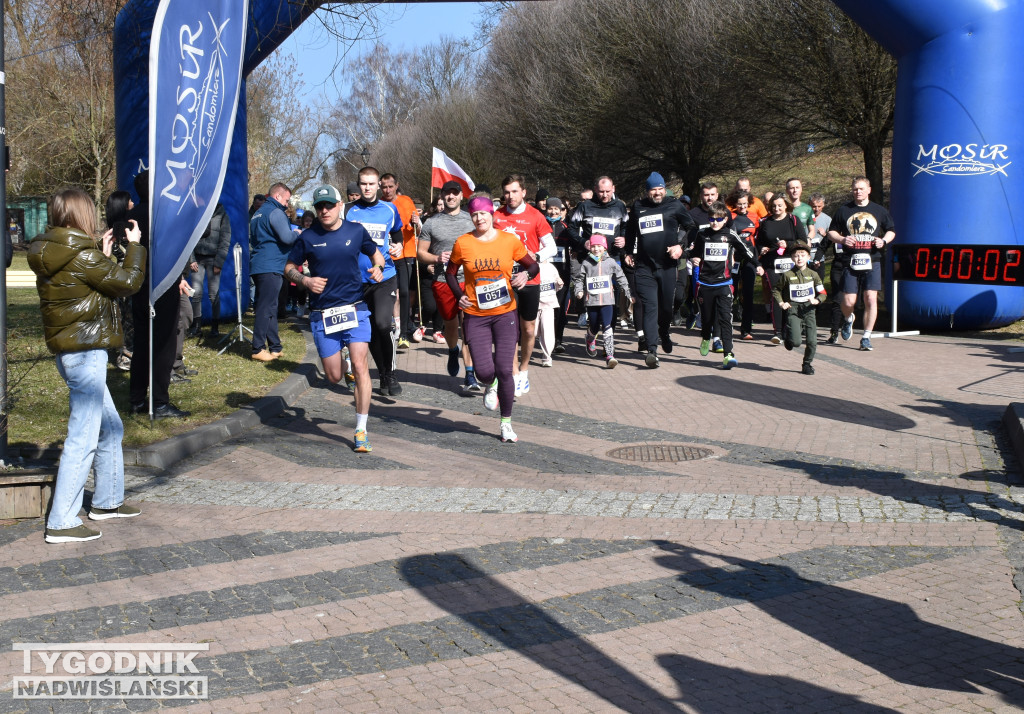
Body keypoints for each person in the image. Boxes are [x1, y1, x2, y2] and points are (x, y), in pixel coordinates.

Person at [28, 188, 146, 542]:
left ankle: (107, 502)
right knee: (84, 436)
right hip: (86, 352)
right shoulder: (82, 255)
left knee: (110, 428)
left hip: (70, 353)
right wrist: (135, 247)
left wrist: (103, 256)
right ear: (82, 214)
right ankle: (62, 521)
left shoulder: (54, 250)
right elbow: (128, 283)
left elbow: (84, 289)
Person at [285, 184, 384, 452]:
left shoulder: (356, 230)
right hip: (323, 314)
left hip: (355, 308)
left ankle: (361, 430)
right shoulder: (308, 237)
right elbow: (289, 267)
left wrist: (378, 268)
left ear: (340, 205)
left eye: (329, 205)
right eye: (320, 206)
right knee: (333, 376)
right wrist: (305, 280)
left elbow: (376, 255)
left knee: (362, 366)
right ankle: (344, 364)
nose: (325, 210)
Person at [446, 196, 539, 443]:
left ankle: (506, 423)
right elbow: (450, 273)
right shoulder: (463, 243)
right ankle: (491, 382)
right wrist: (459, 296)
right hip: (476, 315)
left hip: (505, 314)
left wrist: (525, 276)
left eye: (483, 214)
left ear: (492, 214)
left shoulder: (509, 241)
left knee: (506, 369)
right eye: (474, 215)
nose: (479, 219)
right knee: (484, 372)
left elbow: (533, 266)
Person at [127, 171, 191, 418]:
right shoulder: (164, 215)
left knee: (142, 343)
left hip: (138, 285)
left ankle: (136, 398)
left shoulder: (132, 215)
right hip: (162, 285)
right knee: (164, 344)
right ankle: (160, 402)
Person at [625, 172, 695, 368]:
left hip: (667, 267)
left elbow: (691, 226)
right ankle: (652, 351)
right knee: (650, 308)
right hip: (644, 267)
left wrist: (680, 246)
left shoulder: (674, 205)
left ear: (665, 189)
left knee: (665, 308)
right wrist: (628, 252)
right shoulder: (638, 206)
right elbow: (630, 230)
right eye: (653, 189)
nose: (657, 192)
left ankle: (664, 331)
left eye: (660, 189)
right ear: (647, 191)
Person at [344, 166, 405, 395]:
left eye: (371, 184)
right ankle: (383, 373)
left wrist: (399, 245)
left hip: (384, 276)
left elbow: (397, 233)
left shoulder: (389, 209)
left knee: (382, 324)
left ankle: (391, 373)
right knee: (369, 332)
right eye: (363, 184)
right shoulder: (348, 211)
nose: (367, 188)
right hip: (357, 281)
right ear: (358, 184)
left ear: (378, 184)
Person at [493, 174, 554, 397]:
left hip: (530, 279)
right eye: (507, 192)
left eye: (515, 191)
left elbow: (551, 247)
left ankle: (524, 368)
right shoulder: (496, 216)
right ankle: (513, 372)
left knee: (528, 329)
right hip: (504, 280)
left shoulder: (535, 216)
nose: (510, 196)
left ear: (524, 192)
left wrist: (535, 256)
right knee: (508, 329)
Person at [417, 181, 479, 390]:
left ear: (461, 196)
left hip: (469, 281)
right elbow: (420, 253)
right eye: (447, 193)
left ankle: (470, 374)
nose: (451, 197)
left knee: (469, 326)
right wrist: (436, 258)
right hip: (443, 281)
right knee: (451, 325)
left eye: (455, 193)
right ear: (442, 195)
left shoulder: (472, 220)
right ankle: (453, 350)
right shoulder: (431, 223)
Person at [687, 201, 762, 369]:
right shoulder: (702, 234)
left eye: (719, 219)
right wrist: (693, 257)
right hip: (705, 283)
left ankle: (728, 354)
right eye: (712, 219)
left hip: (724, 283)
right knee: (707, 319)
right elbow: (694, 252)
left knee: (725, 318)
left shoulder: (730, 234)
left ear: (725, 219)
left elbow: (746, 251)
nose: (715, 222)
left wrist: (757, 264)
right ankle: (706, 337)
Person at [827, 176, 895, 351]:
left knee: (870, 298)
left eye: (861, 188)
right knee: (848, 301)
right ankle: (848, 318)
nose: (858, 192)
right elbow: (831, 232)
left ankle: (866, 337)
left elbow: (891, 230)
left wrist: (883, 241)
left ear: (869, 190)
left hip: (872, 260)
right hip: (850, 260)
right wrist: (842, 239)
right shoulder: (844, 210)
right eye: (855, 189)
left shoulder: (878, 210)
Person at [249, 182, 295, 361]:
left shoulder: (257, 213)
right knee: (265, 307)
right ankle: (258, 348)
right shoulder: (276, 212)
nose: (287, 204)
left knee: (270, 306)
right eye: (286, 200)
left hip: (259, 264)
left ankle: (275, 346)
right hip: (271, 265)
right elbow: (287, 237)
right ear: (277, 196)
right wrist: (298, 233)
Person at [574, 235, 632, 369]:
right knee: (594, 327)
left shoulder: (610, 262)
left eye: (599, 246)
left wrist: (628, 292)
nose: (596, 249)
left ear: (604, 247)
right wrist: (579, 291)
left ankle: (610, 356)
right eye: (593, 246)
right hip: (592, 301)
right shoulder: (586, 263)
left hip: (607, 301)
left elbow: (621, 276)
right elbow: (579, 279)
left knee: (607, 326)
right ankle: (590, 338)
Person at [756, 193, 807, 344]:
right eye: (773, 206)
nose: (776, 208)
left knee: (790, 295)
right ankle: (777, 331)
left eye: (779, 205)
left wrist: (789, 244)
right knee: (776, 295)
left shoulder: (793, 220)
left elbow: (803, 241)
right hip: (772, 264)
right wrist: (762, 249)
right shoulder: (765, 222)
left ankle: (790, 328)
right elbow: (758, 242)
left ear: (786, 205)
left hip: (791, 263)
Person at [772, 241, 826, 375]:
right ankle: (789, 337)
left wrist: (817, 300)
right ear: (792, 258)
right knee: (796, 342)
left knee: (812, 341)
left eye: (802, 255)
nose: (799, 258)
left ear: (808, 257)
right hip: (793, 310)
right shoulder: (787, 275)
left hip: (809, 310)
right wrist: (781, 303)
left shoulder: (813, 274)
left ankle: (807, 364)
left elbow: (823, 293)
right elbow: (776, 290)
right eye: (796, 256)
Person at [381, 173, 421, 349]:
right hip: (386, 256)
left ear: (396, 186)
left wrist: (417, 222)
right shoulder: (380, 205)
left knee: (404, 292)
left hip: (406, 253)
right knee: (390, 293)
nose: (387, 190)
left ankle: (404, 333)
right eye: (384, 187)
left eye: (390, 186)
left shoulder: (406, 201)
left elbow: (417, 228)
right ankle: (392, 327)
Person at [188, 202, 232, 337]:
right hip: (197, 259)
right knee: (196, 293)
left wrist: (219, 262)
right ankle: (196, 327)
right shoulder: (197, 213)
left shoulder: (222, 215)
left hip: (213, 260)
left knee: (214, 294)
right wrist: (191, 259)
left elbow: (225, 240)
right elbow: (189, 236)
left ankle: (215, 327)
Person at [727, 189, 760, 340]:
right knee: (730, 293)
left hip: (750, 259)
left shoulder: (754, 217)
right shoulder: (730, 217)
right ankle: (725, 326)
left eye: (745, 204)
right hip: (734, 259)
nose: (742, 207)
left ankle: (746, 329)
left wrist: (759, 256)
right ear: (735, 204)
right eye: (739, 204)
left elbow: (758, 237)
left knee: (748, 294)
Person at [544, 197, 573, 354]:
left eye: (557, 209)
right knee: (544, 308)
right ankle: (545, 339)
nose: (553, 212)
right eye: (550, 208)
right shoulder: (541, 225)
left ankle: (558, 340)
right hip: (544, 274)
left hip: (562, 274)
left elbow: (575, 244)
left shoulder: (566, 227)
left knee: (560, 308)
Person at [535, 253, 563, 367]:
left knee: (548, 331)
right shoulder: (531, 267)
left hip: (548, 304)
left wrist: (559, 283)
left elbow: (557, 284)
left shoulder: (551, 267)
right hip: (534, 305)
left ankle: (547, 357)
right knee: (533, 332)